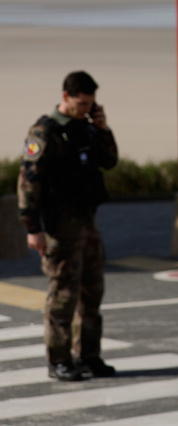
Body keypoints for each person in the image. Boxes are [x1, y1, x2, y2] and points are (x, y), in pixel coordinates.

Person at [17, 70, 119, 382]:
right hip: (60, 225)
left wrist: (102, 129)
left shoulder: (88, 128)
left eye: (91, 104)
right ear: (66, 97)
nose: (86, 108)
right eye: (81, 103)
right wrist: (32, 227)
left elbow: (110, 161)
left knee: (92, 293)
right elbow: (28, 182)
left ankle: (88, 355)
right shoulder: (44, 132)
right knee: (63, 295)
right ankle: (58, 359)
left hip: (88, 223)